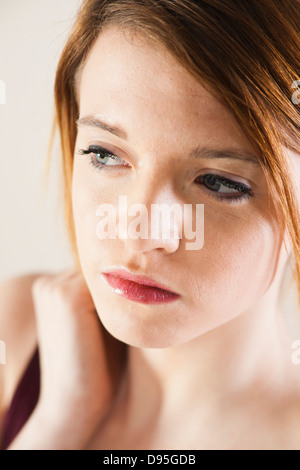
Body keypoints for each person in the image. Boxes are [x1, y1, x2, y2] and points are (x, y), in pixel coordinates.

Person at [1, 0, 300, 450]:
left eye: (218, 182)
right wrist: (57, 421)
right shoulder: (19, 329)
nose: (137, 232)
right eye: (105, 154)